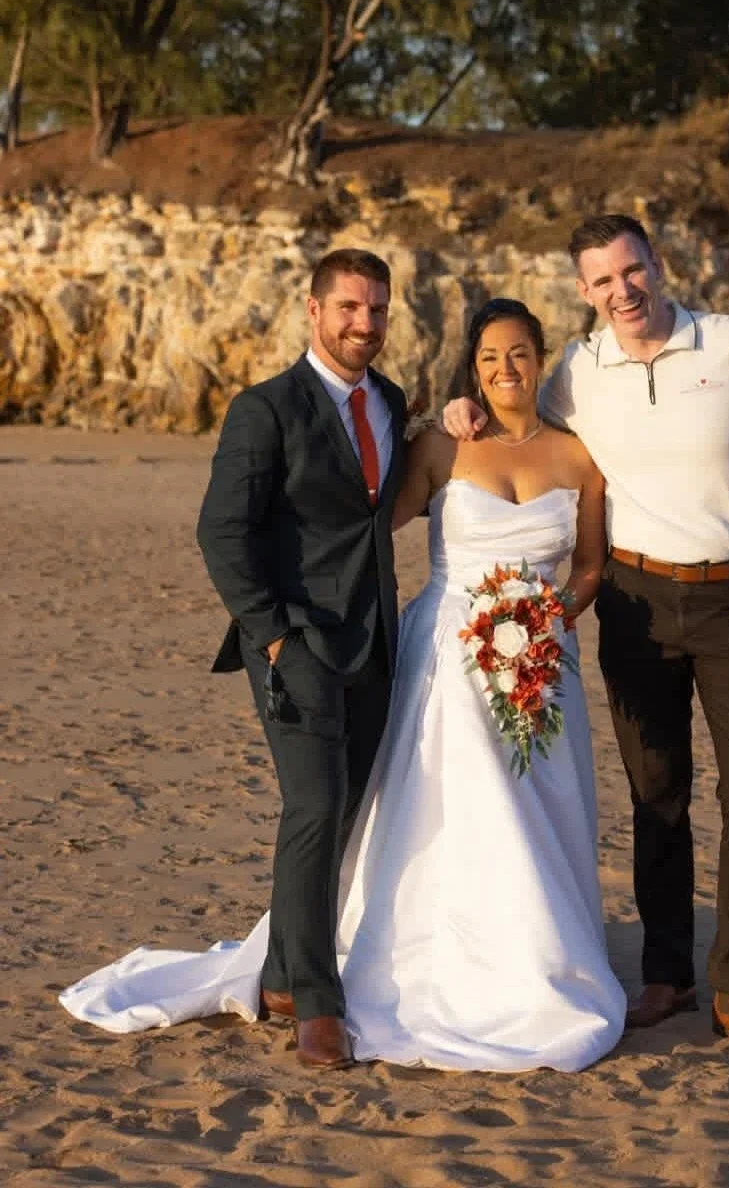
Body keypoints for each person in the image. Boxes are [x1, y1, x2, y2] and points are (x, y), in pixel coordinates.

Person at [59, 297, 627, 1074]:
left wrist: (550, 622)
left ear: (543, 357)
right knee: (453, 807)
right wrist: (287, 603)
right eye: (490, 357)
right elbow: (357, 524)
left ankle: (539, 960)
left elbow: (591, 565)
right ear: (472, 366)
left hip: (542, 662)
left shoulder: (578, 457)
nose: (505, 370)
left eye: (520, 353)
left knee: (537, 811)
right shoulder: (439, 446)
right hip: (447, 658)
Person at [443, 214, 729, 1050]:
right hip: (634, 600)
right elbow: (514, 411)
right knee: (657, 794)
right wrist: (463, 406)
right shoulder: (578, 370)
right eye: (603, 281)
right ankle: (667, 976)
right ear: (584, 293)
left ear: (658, 263)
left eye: (632, 271)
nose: (623, 291)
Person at [196, 247, 407, 1069]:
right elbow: (220, 532)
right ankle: (315, 1004)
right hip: (297, 643)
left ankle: (284, 969)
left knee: (347, 805)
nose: (365, 323)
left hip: (378, 639)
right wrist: (276, 635)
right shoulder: (266, 409)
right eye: (350, 307)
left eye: (379, 310)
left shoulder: (390, 402)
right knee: (315, 804)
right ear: (312, 312)